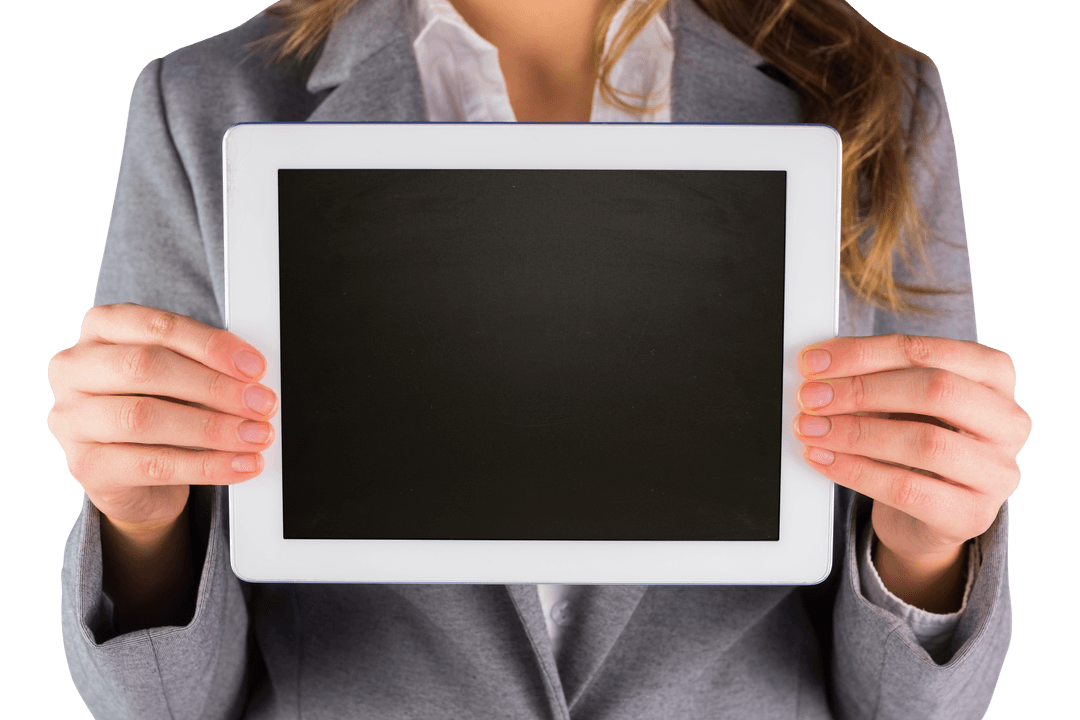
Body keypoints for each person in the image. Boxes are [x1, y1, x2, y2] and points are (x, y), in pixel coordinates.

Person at [52, 0, 1029, 717]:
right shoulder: (204, 105)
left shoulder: (880, 105)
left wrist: (927, 553)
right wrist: (142, 531)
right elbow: (164, 707)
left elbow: (913, 708)